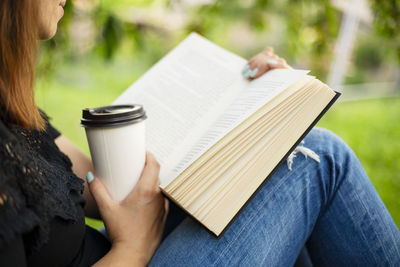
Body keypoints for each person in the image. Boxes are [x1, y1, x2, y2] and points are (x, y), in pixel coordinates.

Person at [0, 0, 399, 266]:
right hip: (129, 256)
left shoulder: (10, 106)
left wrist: (248, 100)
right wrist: (133, 248)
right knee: (321, 159)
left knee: (280, 168)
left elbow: (112, 187)